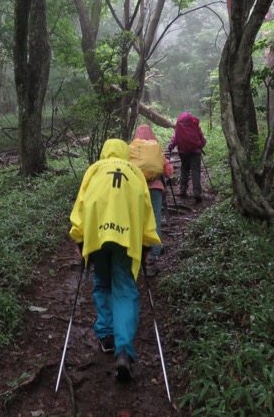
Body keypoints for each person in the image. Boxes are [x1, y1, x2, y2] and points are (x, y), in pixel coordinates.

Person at [69, 138, 161, 382]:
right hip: (126, 240)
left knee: (102, 283)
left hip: (97, 237)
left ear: (104, 151)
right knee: (125, 289)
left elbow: (81, 206)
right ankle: (123, 351)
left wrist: (80, 241)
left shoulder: (94, 169)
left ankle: (106, 335)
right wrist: (146, 244)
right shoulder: (136, 173)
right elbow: (145, 211)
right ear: (125, 153)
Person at [131, 124, 174, 263]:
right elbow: (168, 172)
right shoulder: (156, 149)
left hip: (136, 190)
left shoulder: (130, 149)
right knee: (155, 219)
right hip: (155, 189)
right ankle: (154, 253)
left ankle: (138, 251)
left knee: (137, 219)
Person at [167, 111, 207, 202]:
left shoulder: (179, 127)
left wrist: (171, 147)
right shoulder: (195, 126)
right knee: (195, 171)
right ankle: (196, 192)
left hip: (183, 152)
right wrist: (201, 145)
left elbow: (175, 138)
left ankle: (183, 190)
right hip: (195, 151)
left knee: (184, 169)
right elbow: (202, 140)